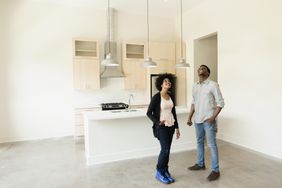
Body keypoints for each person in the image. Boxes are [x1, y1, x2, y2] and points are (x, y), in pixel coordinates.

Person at [187, 65, 224, 181]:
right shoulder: (194, 86)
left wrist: (213, 117)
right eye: (199, 68)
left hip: (208, 120)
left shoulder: (213, 85)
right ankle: (200, 164)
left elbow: (221, 103)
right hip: (197, 119)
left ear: (208, 72)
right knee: (199, 142)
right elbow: (194, 103)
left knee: (212, 145)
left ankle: (215, 170)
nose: (201, 69)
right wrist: (189, 117)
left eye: (204, 68)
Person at [146, 73, 180, 184]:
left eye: (169, 82)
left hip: (170, 126)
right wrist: (157, 121)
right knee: (164, 150)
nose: (168, 83)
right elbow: (149, 113)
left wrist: (177, 128)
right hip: (161, 127)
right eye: (165, 81)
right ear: (161, 84)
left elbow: (173, 112)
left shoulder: (170, 97)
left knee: (167, 150)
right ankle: (159, 172)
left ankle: (165, 170)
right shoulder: (157, 97)